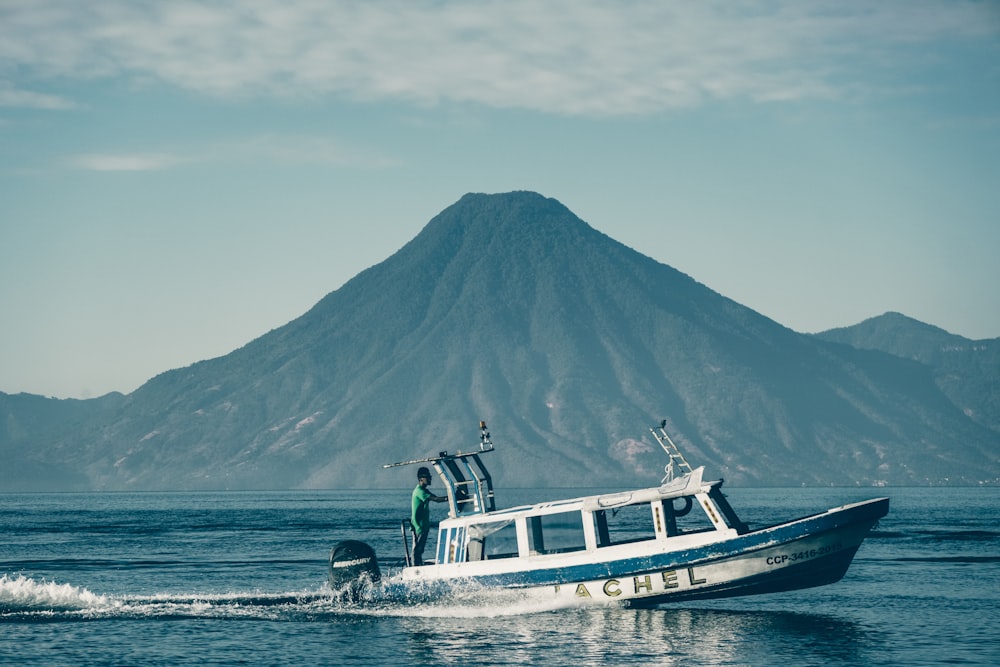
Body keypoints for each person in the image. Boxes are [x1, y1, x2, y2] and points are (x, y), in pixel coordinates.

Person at [410, 466, 447, 566]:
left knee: (419, 550)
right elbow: (437, 499)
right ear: (421, 479)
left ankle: (417, 565)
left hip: (423, 525)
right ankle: (415, 568)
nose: (430, 479)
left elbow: (436, 498)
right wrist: (452, 498)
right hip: (420, 526)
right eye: (428, 477)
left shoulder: (424, 490)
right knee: (417, 550)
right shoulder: (420, 491)